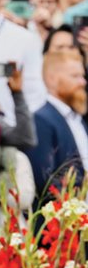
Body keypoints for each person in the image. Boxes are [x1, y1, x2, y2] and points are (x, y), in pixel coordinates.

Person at [24, 51, 87, 201]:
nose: (83, 82)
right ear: (52, 79)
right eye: (75, 76)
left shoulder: (78, 119)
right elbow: (43, 180)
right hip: (63, 211)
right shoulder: (41, 120)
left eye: (82, 76)